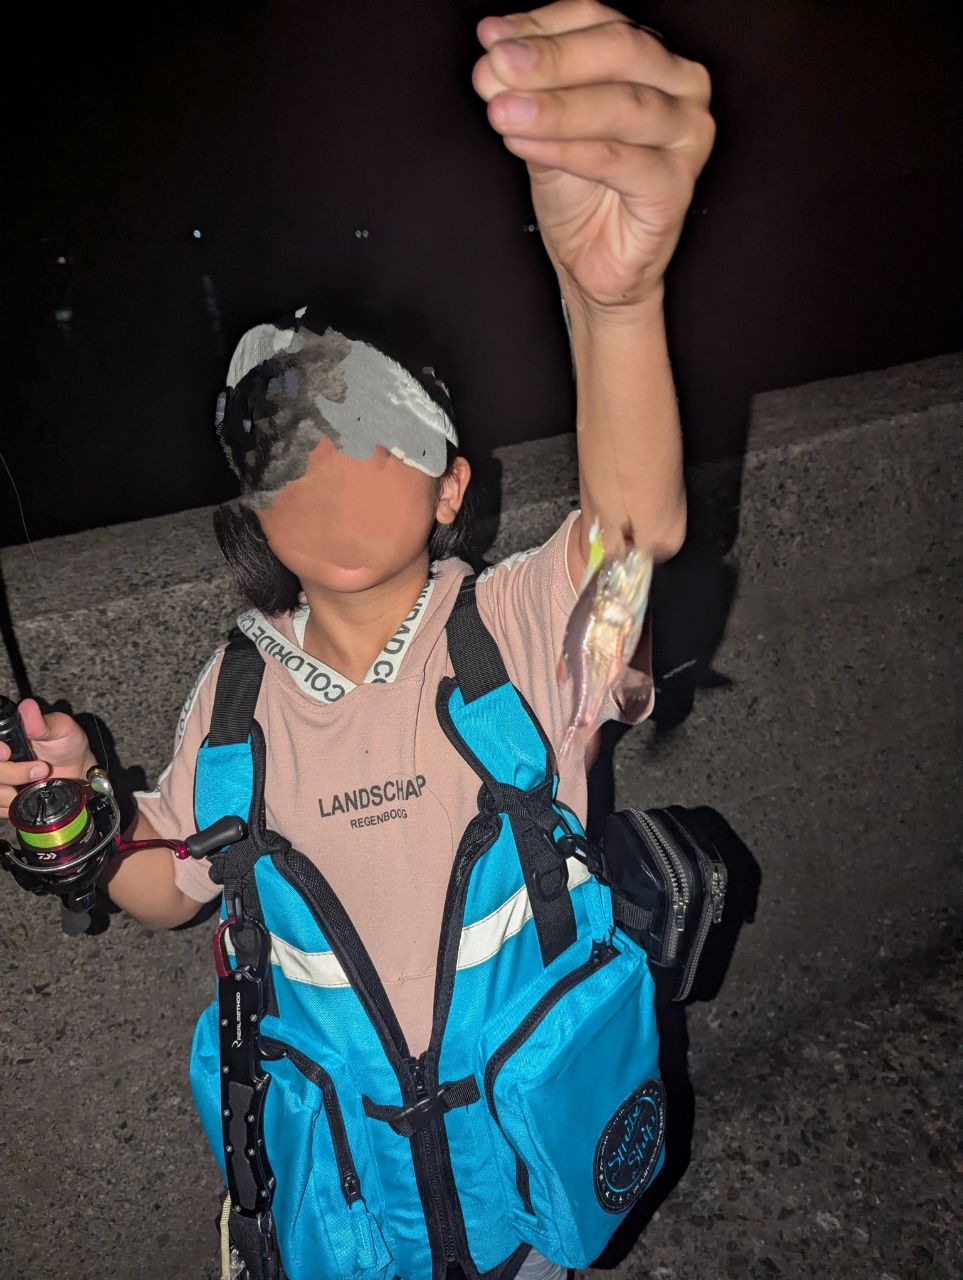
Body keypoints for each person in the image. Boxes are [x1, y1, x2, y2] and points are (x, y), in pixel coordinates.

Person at [0, 4, 713, 1277]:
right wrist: (83, 825)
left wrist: (617, 305)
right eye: (282, 441)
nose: (326, 471)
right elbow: (170, 880)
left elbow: (633, 535)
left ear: (450, 485)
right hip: (347, 1228)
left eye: (371, 432)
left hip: (528, 1219)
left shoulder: (519, 630)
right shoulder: (230, 696)